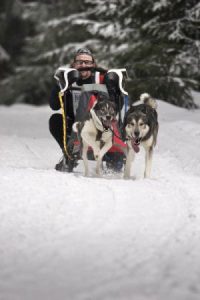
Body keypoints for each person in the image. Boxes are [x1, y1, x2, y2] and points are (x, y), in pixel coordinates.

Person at [49, 48, 125, 172]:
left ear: (93, 65)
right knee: (55, 120)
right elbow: (54, 106)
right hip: (75, 126)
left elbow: (118, 107)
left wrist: (113, 89)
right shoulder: (67, 79)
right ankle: (69, 156)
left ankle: (116, 157)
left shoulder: (101, 78)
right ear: (74, 64)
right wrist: (59, 85)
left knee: (121, 126)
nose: (83, 65)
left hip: (103, 124)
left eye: (87, 62)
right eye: (80, 62)